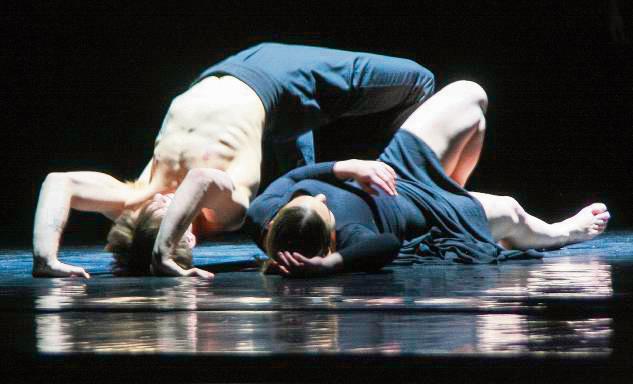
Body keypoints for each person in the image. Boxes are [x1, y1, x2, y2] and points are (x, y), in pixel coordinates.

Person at [32, 43, 435, 278]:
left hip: (254, 76)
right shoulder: (200, 208)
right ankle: (397, 204)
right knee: (300, 164)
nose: (163, 202)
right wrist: (165, 253)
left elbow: (59, 182)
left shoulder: (139, 198)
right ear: (185, 236)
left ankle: (415, 192)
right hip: (260, 86)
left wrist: (46, 259)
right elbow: (200, 178)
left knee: (419, 81)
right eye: (169, 227)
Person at [245, 80, 611, 277]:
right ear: (332, 239)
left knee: (471, 98)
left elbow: (295, 174)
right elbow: (386, 244)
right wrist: (331, 265)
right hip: (432, 216)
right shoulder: (353, 236)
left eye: (309, 197)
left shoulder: (263, 213)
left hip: (396, 170)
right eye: (322, 208)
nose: (321, 197)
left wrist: (346, 166)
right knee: (513, 213)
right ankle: (564, 231)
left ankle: (463, 196)